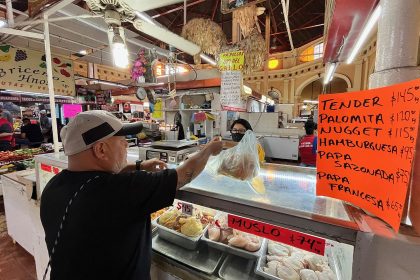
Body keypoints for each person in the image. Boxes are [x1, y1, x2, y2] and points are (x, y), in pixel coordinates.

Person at [40, 110, 223, 280]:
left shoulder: (53, 186)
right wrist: (208, 150)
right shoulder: (120, 191)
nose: (127, 144)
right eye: (121, 141)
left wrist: (138, 166)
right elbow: (183, 175)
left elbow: (98, 181)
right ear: (101, 149)